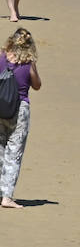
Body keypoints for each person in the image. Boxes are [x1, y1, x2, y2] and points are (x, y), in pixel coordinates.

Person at [0, 28, 40, 207]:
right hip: (20, 108)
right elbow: (37, 85)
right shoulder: (28, 63)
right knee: (14, 152)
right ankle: (6, 197)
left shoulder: (1, 57)